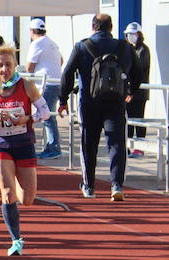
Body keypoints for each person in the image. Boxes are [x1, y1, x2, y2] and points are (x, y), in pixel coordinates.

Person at [59, 13, 141, 201]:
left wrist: (63, 99)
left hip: (89, 102)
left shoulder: (82, 46)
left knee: (89, 143)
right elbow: (138, 72)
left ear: (93, 26)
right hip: (116, 102)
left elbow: (68, 73)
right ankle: (117, 185)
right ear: (111, 27)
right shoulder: (125, 47)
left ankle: (89, 186)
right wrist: (131, 91)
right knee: (117, 143)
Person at [0, 46, 47, 256]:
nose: (4, 69)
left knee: (27, 198)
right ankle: (16, 239)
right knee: (7, 193)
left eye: (8, 64)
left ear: (15, 65)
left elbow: (45, 112)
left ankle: (15, 180)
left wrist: (28, 118)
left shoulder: (27, 86)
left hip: (24, 143)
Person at [24, 17, 64, 158]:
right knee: (48, 114)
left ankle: (53, 147)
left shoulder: (37, 43)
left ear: (31, 31)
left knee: (46, 115)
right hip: (56, 82)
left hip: (46, 83)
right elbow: (61, 60)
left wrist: (27, 80)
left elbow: (29, 66)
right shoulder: (52, 43)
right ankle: (52, 146)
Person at [124, 23, 151, 157]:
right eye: (129, 34)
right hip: (127, 91)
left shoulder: (144, 50)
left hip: (139, 92)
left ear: (139, 35)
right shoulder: (127, 49)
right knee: (128, 120)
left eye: (133, 34)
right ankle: (128, 147)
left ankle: (140, 148)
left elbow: (138, 67)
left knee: (139, 119)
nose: (130, 37)